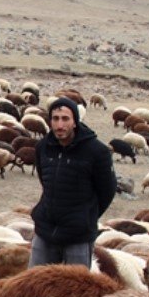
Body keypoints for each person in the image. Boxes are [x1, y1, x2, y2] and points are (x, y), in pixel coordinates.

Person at [30, 97, 116, 267]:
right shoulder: (43, 147)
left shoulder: (97, 151)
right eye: (55, 119)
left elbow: (107, 191)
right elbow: (46, 182)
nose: (60, 125)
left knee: (75, 288)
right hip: (45, 230)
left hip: (78, 235)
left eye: (65, 119)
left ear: (75, 121)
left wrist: (85, 216)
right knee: (34, 286)